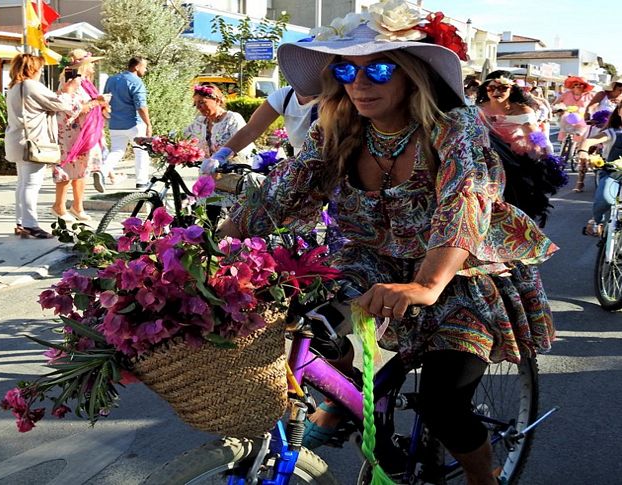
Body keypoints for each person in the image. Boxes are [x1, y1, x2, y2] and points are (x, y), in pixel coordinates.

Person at [219, 4, 557, 483]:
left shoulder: (453, 127)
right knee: (309, 328)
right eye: (345, 69)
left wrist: (427, 285)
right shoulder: (335, 128)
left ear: (412, 76)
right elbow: (280, 194)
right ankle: (353, 401)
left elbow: (464, 200)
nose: (359, 82)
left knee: (444, 405)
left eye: (378, 68)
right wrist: (207, 249)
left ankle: (487, 478)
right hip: (367, 264)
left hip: (455, 274)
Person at [476, 71, 565, 226]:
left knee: (517, 198)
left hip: (514, 160)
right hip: (485, 159)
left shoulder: (523, 110)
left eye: (503, 88)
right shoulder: (477, 109)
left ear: (512, 89)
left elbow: (536, 136)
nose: (497, 92)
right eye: (492, 88)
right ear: (485, 89)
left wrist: (545, 155)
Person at [5, 53, 79, 239]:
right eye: (40, 68)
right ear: (33, 69)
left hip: (17, 140)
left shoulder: (15, 87)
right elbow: (60, 104)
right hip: (32, 143)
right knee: (31, 185)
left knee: (23, 184)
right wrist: (68, 90)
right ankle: (30, 225)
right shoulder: (30, 85)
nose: (41, 72)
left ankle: (21, 222)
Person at [200, 85, 318, 174]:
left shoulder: (333, 97)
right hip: (304, 172)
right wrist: (220, 156)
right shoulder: (285, 95)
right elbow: (251, 130)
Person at [52, 49, 110, 223]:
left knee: (82, 169)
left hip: (84, 131)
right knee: (68, 169)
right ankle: (59, 206)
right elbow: (73, 107)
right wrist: (96, 103)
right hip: (72, 132)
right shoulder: (71, 80)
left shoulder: (84, 82)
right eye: (91, 63)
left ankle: (78, 206)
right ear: (82, 65)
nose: (93, 66)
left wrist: (101, 105)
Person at [102, 56, 152, 189]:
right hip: (134, 123)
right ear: (136, 67)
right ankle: (141, 182)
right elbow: (141, 106)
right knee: (141, 151)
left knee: (117, 151)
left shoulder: (111, 80)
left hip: (115, 123)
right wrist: (148, 124)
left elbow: (104, 100)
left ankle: (102, 171)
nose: (145, 70)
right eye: (144, 66)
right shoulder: (136, 82)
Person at [577, 103, 622, 235]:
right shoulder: (612, 133)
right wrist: (583, 151)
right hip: (612, 174)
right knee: (605, 199)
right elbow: (588, 141)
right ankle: (597, 221)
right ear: (619, 112)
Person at [183, 84, 255, 163]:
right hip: (207, 172)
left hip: (232, 172)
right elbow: (183, 137)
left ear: (217, 101)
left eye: (201, 102)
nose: (197, 107)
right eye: (195, 103)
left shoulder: (231, 119)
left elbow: (242, 145)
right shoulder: (200, 122)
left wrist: (219, 160)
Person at [555, 76, 594, 191]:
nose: (578, 86)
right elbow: (556, 103)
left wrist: (592, 114)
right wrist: (557, 109)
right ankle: (564, 150)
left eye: (580, 84)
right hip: (567, 119)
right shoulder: (566, 94)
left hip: (581, 121)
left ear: (584, 86)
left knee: (581, 139)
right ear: (572, 85)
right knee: (564, 132)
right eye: (576, 84)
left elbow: (594, 106)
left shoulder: (589, 95)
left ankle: (577, 153)